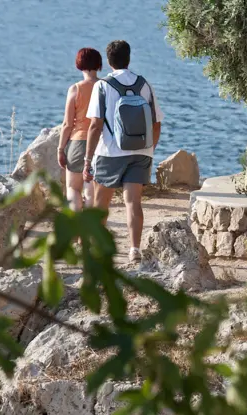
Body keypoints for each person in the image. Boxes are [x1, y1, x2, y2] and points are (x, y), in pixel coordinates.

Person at [83, 40, 163, 263]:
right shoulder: (144, 84)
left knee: (101, 204)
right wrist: (150, 149)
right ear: (129, 58)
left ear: (108, 62)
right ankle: (134, 249)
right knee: (133, 202)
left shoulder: (102, 86)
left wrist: (88, 159)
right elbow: (157, 124)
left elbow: (95, 126)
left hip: (110, 153)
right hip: (141, 152)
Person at [57, 47, 101, 211]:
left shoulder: (75, 89)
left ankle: (76, 228)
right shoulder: (106, 87)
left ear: (79, 64)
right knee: (92, 191)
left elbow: (67, 124)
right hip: (100, 143)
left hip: (77, 142)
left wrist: (61, 149)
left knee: (73, 189)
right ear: (99, 65)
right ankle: (91, 229)